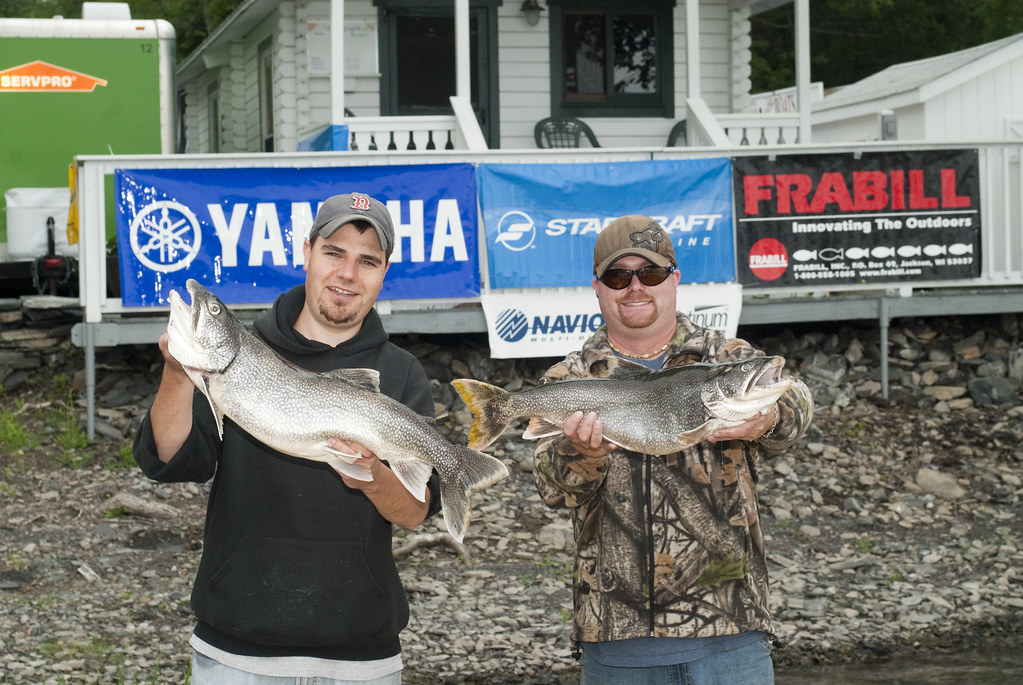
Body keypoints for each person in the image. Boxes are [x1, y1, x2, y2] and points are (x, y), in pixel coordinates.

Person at [133, 192, 441, 684]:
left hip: (362, 655)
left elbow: (414, 512)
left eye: (367, 261)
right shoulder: (240, 355)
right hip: (235, 650)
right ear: (307, 253)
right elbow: (168, 460)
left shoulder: (402, 373)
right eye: (334, 253)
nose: (347, 273)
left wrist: (370, 475)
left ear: (384, 273)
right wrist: (176, 370)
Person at [532, 215, 814, 684]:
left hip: (732, 638)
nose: (635, 287)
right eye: (618, 277)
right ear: (598, 288)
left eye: (651, 273)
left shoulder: (724, 359)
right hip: (617, 648)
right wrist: (583, 453)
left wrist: (768, 419)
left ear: (674, 279)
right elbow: (552, 491)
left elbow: (797, 399)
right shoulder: (571, 380)